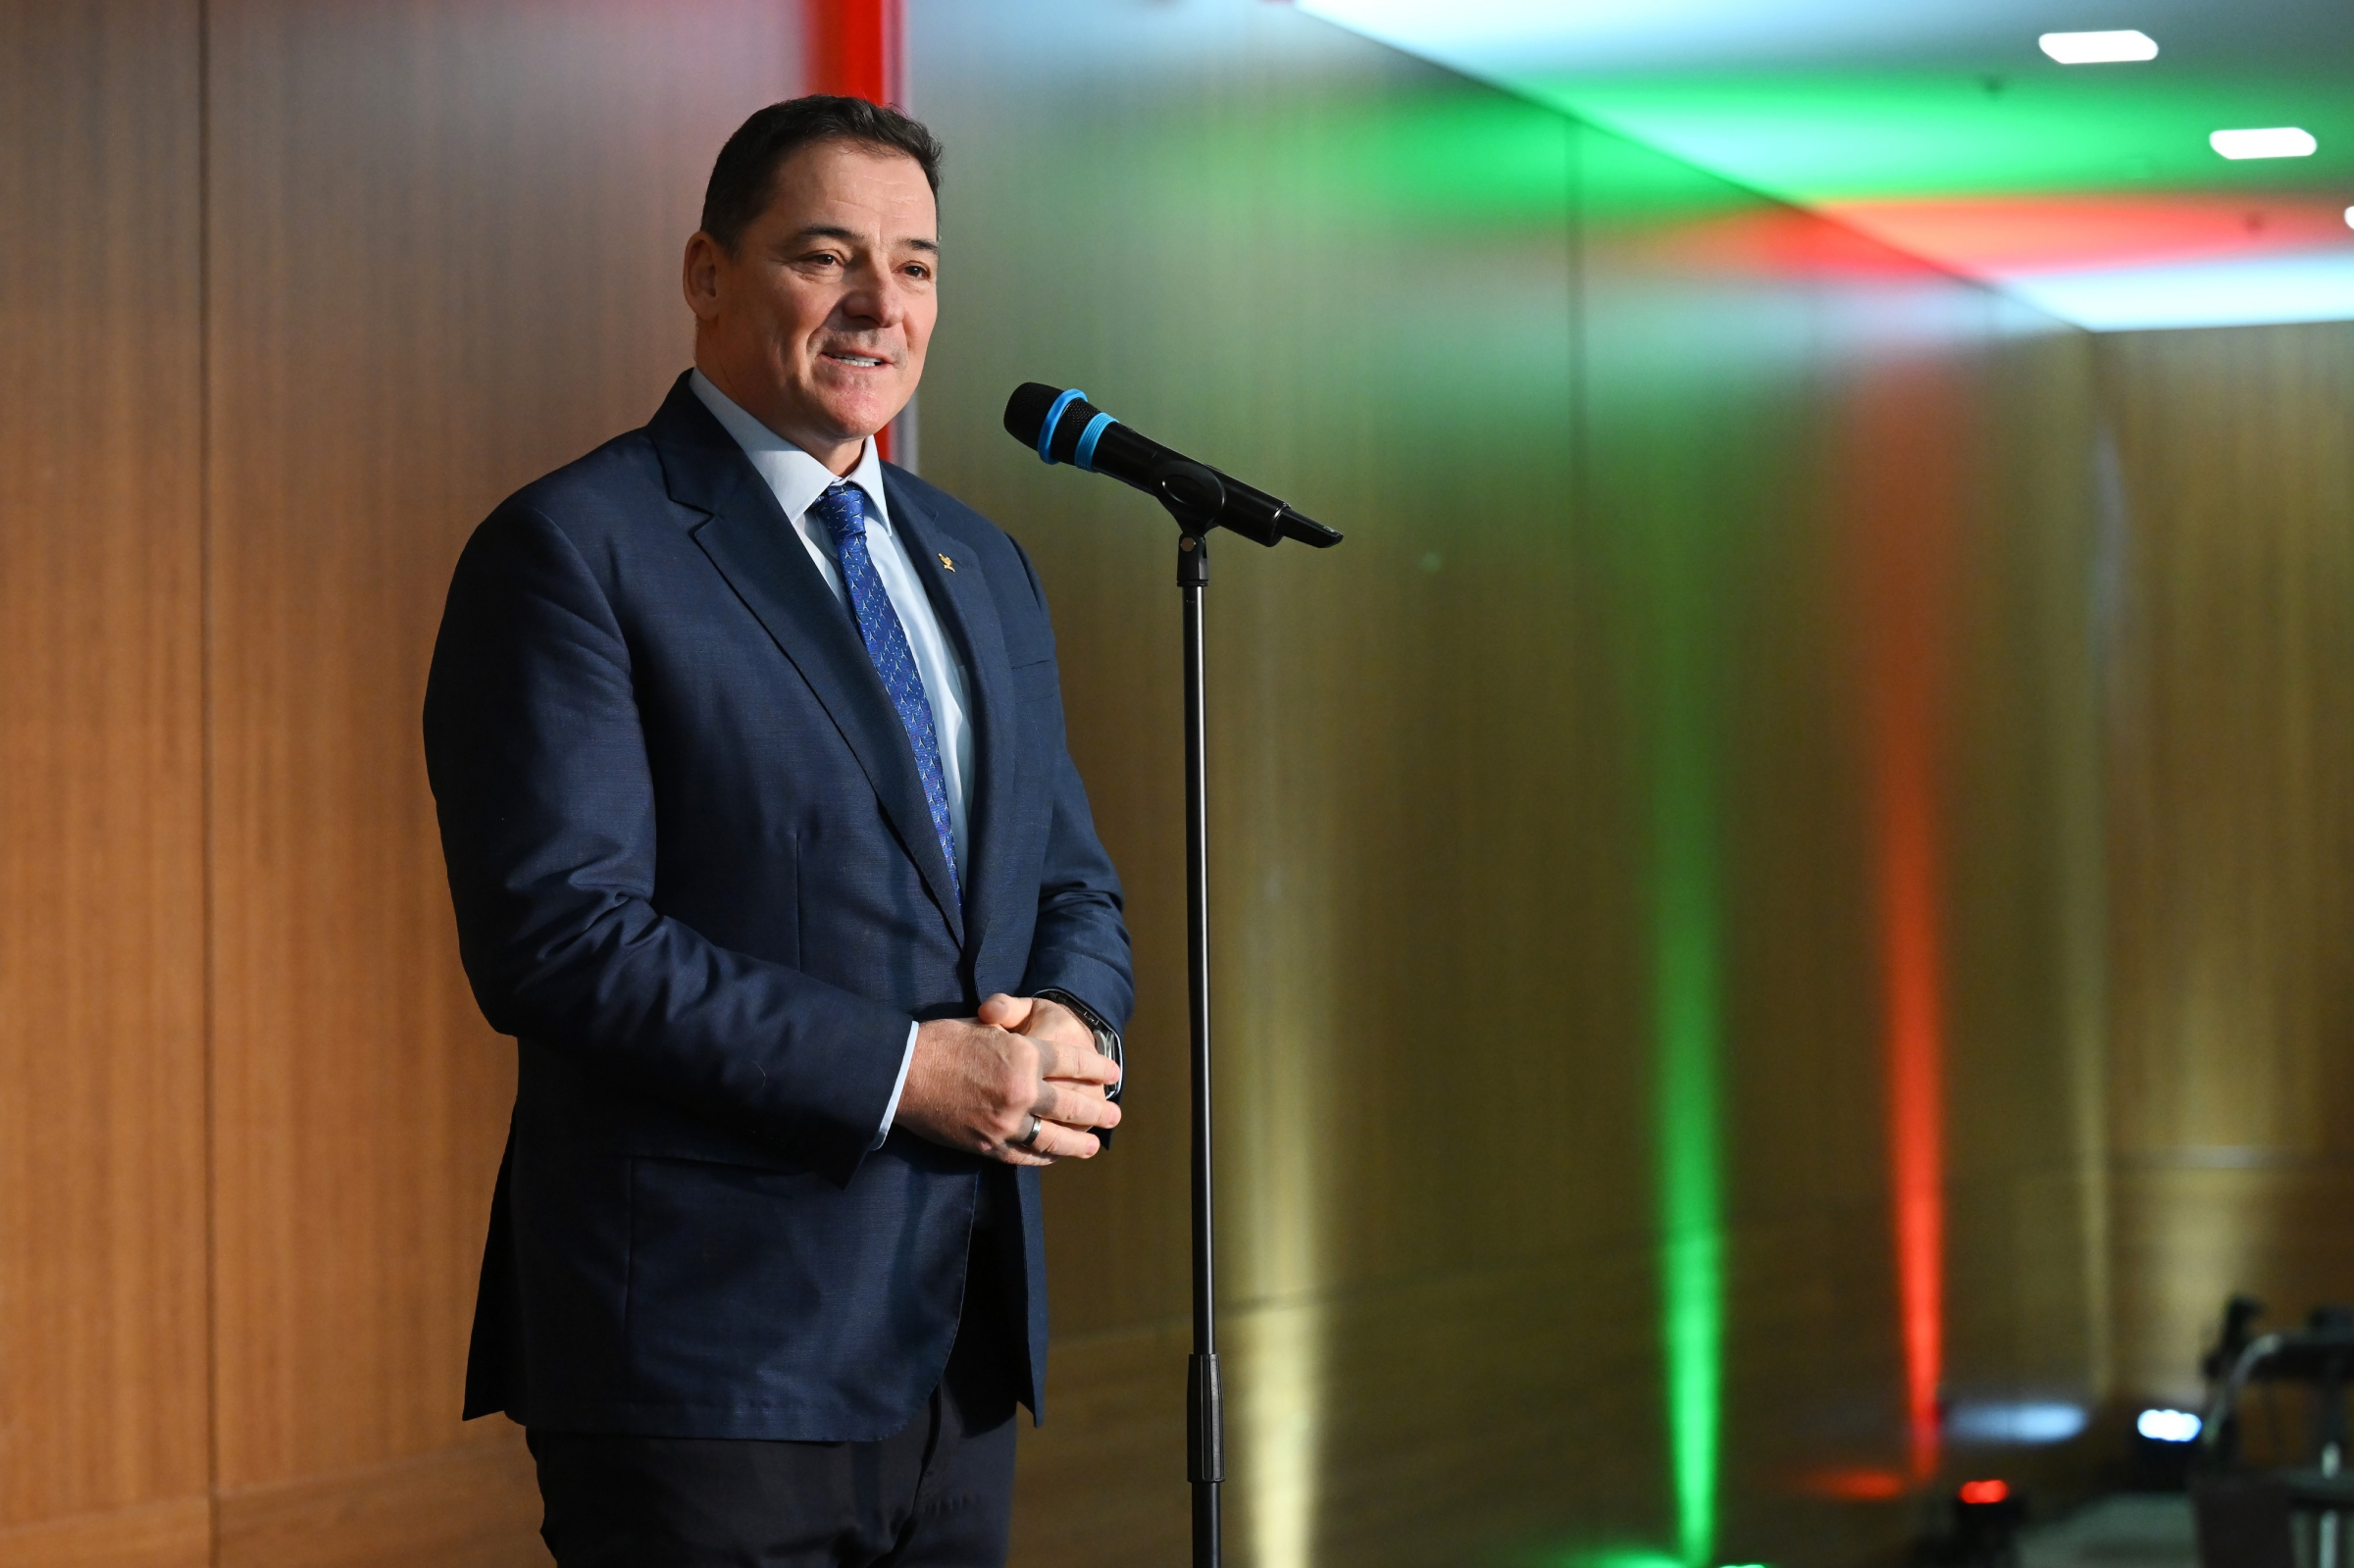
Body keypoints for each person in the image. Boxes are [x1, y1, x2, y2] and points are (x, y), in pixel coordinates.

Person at [422, 95, 1133, 1567]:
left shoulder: (981, 560)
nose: (882, 304)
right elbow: (561, 940)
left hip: (958, 1348)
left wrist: (1069, 1021)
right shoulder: (574, 548)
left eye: (916, 266)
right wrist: (909, 1072)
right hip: (705, 1362)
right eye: (826, 256)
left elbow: (1066, 882)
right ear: (708, 274)